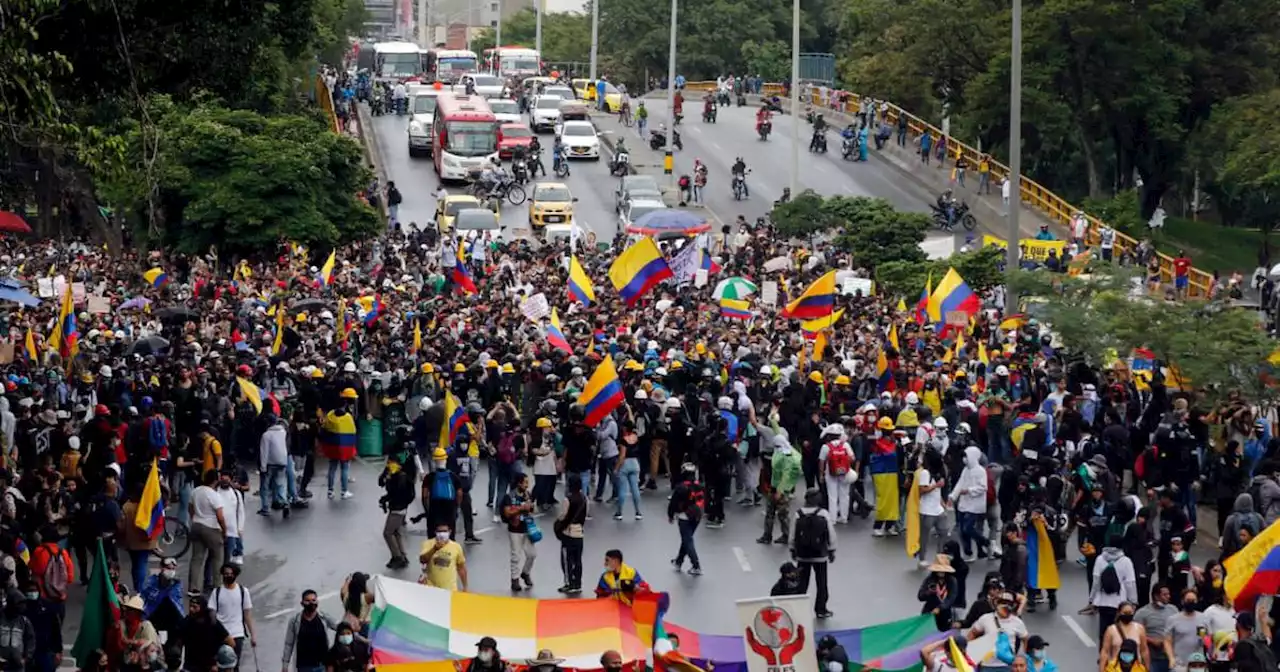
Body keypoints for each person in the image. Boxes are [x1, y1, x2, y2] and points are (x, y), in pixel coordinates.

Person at [791, 488, 836, 619]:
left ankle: (798, 610)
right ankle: (821, 609)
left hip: (803, 555)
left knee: (802, 583)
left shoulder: (798, 514)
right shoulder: (823, 513)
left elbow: (792, 534)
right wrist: (832, 550)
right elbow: (831, 534)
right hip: (820, 555)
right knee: (821, 583)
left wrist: (792, 549)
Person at [188, 469, 227, 596]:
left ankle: (193, 587)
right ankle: (217, 586)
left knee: (196, 558)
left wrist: (194, 518)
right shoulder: (214, 495)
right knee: (217, 557)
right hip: (211, 528)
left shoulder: (196, 491)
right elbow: (220, 516)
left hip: (196, 525)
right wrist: (224, 531)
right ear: (216, 480)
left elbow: (190, 507)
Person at [281, 589, 340, 672]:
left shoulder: (324, 617)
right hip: (304, 666)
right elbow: (288, 644)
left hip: (322, 665)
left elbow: (341, 629)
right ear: (302, 603)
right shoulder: (294, 621)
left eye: (313, 600)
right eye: (307, 601)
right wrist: (285, 665)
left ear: (317, 602)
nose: (311, 603)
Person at [209, 563, 256, 667]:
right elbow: (212, 615)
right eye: (226, 574)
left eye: (231, 574)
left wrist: (253, 635)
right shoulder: (216, 592)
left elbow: (247, 615)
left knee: (234, 665)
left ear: (235, 575)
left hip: (237, 634)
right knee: (220, 665)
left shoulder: (243, 591)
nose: (228, 576)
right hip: (221, 634)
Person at [501, 473, 538, 592]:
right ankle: (514, 580)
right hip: (515, 529)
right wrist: (521, 509)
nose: (527, 485)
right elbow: (507, 513)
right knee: (515, 556)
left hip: (527, 528)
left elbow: (533, 510)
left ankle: (525, 572)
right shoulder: (509, 496)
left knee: (532, 554)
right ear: (519, 483)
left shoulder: (528, 495)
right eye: (525, 482)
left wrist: (531, 507)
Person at [378, 453, 415, 569]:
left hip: (398, 508)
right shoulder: (392, 475)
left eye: (392, 463)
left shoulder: (401, 477)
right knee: (396, 532)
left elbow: (397, 493)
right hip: (396, 507)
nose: (389, 465)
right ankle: (401, 555)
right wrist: (385, 473)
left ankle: (397, 557)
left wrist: (386, 499)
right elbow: (380, 483)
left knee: (388, 533)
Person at [668, 463, 704, 575]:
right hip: (697, 516)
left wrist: (670, 515)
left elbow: (673, 503)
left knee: (687, 540)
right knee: (687, 539)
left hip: (684, 516)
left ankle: (696, 565)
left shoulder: (680, 487)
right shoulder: (700, 486)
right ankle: (678, 561)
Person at [555, 474, 587, 594]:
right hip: (579, 533)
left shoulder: (567, 499)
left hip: (568, 533)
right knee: (578, 559)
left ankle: (569, 583)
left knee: (567, 559)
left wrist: (558, 524)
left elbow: (563, 515)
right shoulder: (584, 498)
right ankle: (578, 582)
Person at [419, 521, 468, 591]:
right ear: (435, 532)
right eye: (439, 531)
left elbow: (461, 568)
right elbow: (423, 560)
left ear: (450, 532)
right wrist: (434, 549)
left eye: (444, 531)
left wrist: (465, 587)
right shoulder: (428, 544)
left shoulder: (456, 547)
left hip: (450, 589)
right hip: (431, 587)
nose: (442, 534)